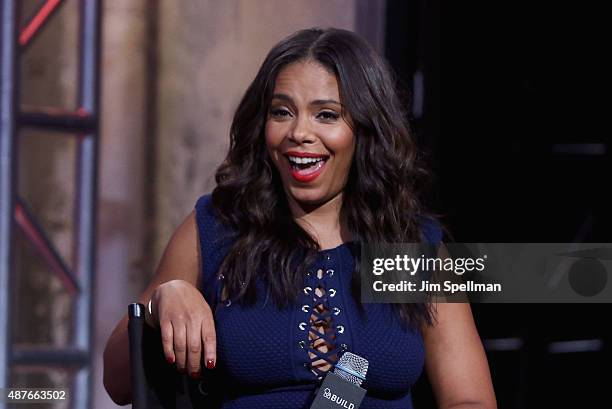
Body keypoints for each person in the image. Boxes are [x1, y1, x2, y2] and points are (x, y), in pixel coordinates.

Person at [103, 27, 497, 408]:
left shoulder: (411, 245)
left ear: (364, 129)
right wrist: (159, 302)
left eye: (326, 115)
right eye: (282, 112)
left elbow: (470, 398)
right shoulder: (217, 228)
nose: (299, 133)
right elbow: (117, 382)